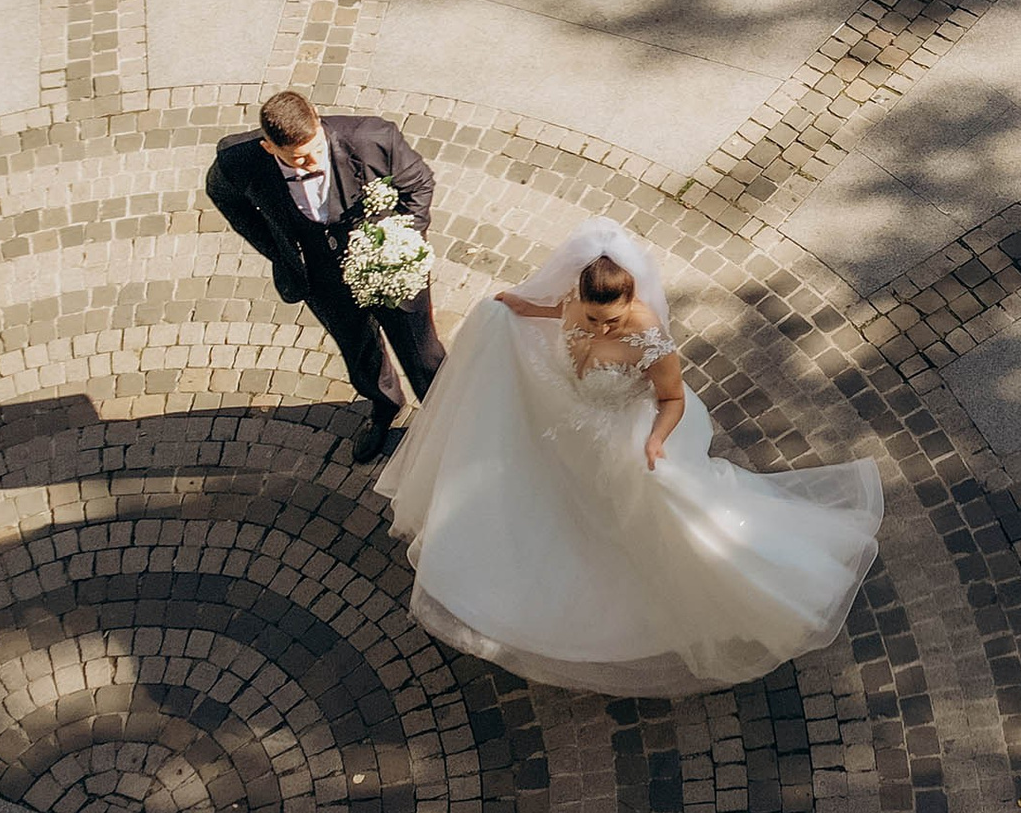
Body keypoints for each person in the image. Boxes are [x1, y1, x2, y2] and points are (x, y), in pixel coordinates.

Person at [376, 217, 883, 696]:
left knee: (654, 508)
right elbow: (556, 312)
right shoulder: (575, 305)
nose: (600, 329)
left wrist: (657, 439)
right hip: (575, 414)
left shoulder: (650, 339)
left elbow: (673, 399)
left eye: (611, 319)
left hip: (627, 425)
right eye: (592, 317)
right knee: (553, 483)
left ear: (632, 299)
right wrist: (520, 306)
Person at [205, 91, 446, 462]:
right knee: (358, 350)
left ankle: (445, 418)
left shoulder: (373, 137)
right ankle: (384, 406)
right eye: (297, 159)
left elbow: (419, 184)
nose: (311, 163)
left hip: (387, 264)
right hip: (319, 274)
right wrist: (278, 249)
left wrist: (399, 243)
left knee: (422, 351)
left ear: (317, 120)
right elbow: (224, 196)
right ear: (269, 147)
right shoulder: (237, 160)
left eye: (315, 149)